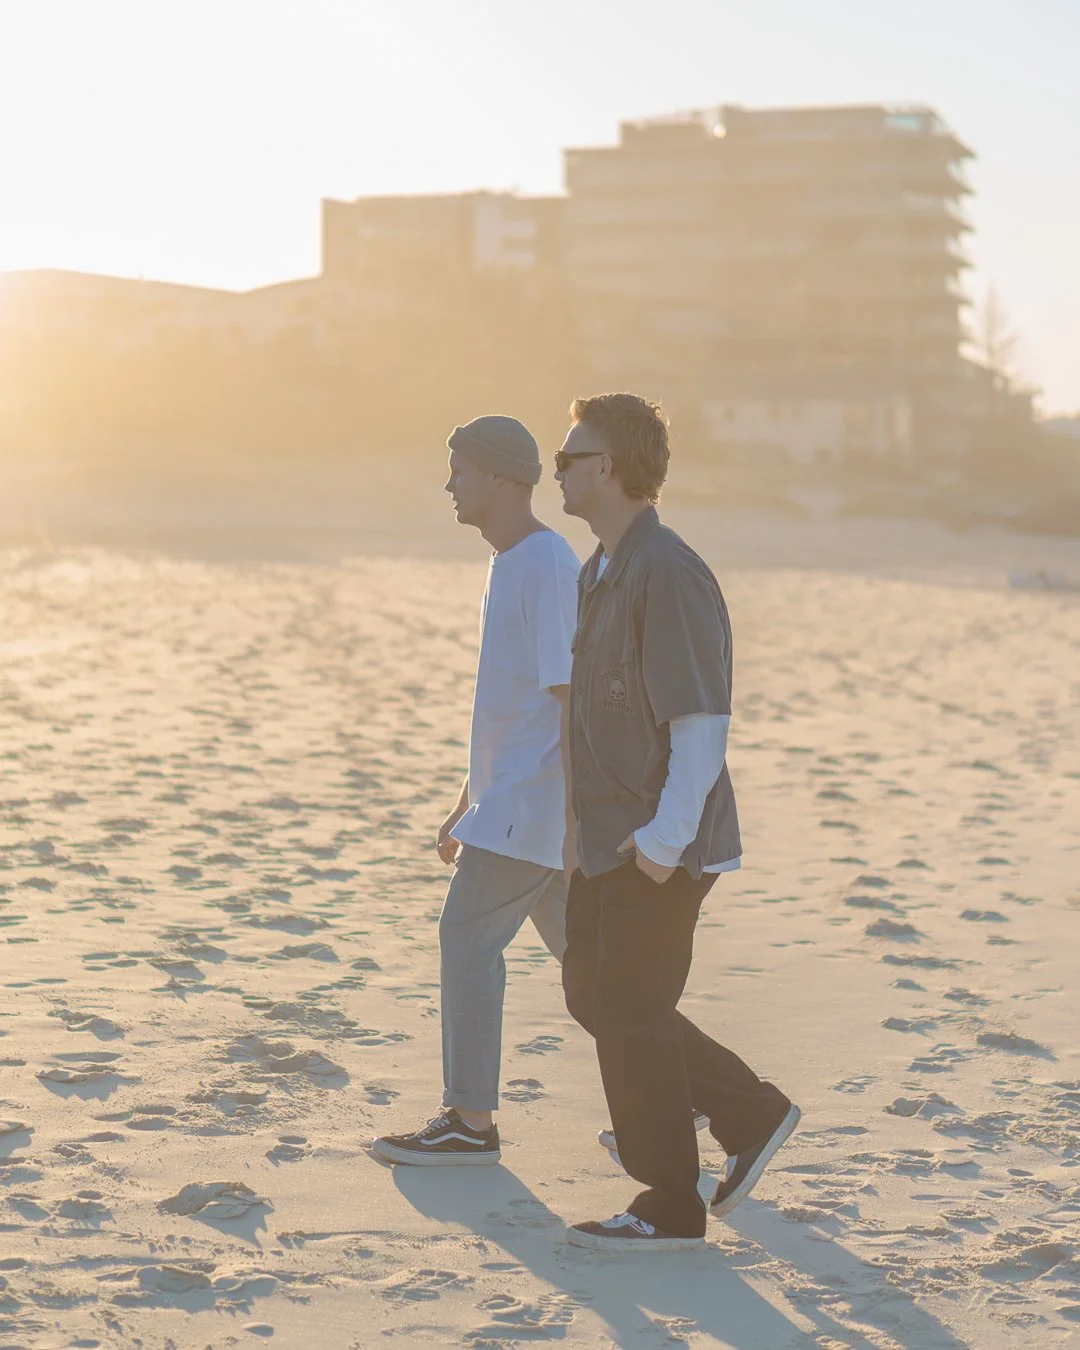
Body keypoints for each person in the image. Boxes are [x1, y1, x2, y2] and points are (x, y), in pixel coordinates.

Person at [554, 393, 799, 1249]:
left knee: (629, 1005)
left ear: (610, 467)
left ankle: (668, 1200)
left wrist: (661, 843)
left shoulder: (669, 570)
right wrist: (580, 832)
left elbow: (701, 722)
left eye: (569, 456)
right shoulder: (601, 569)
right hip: (607, 837)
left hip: (661, 841)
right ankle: (751, 1112)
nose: (559, 469)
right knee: (596, 994)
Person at [372, 415, 579, 1166]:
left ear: (497, 476)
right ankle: (704, 1097)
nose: (449, 483)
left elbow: (568, 699)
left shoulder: (548, 563)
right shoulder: (512, 563)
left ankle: (470, 1123)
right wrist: (468, 799)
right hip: (514, 805)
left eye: (458, 468)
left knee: (465, 939)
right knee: (598, 971)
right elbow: (512, 705)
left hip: (536, 808)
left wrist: (574, 821)